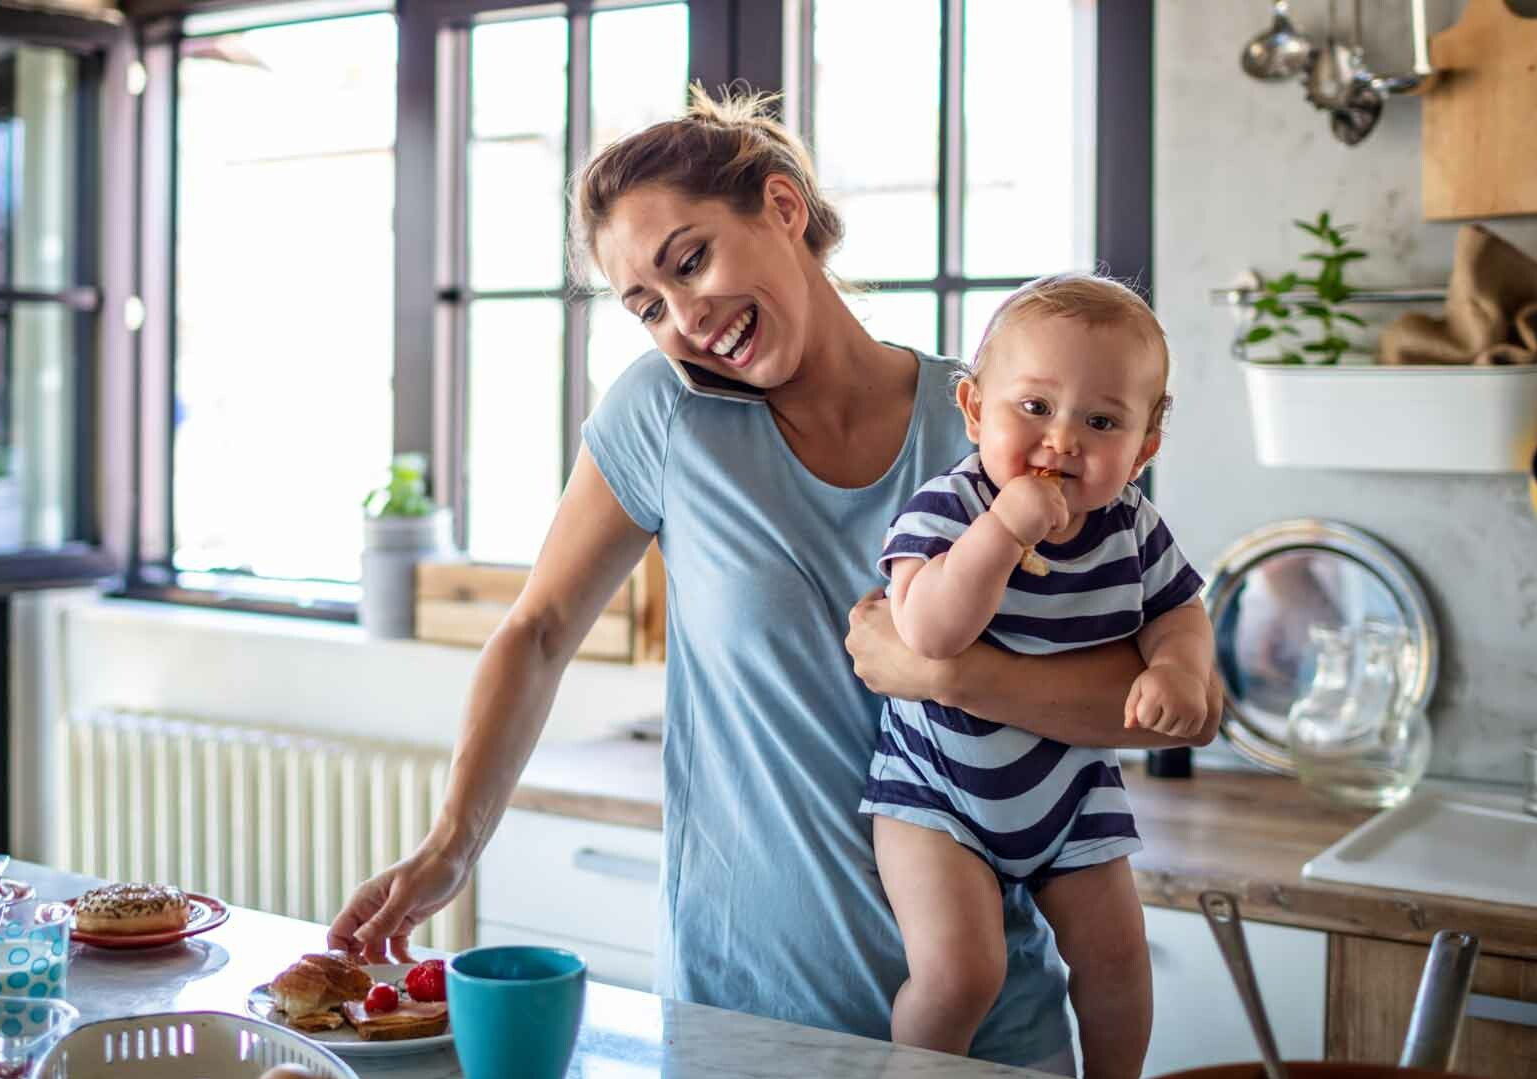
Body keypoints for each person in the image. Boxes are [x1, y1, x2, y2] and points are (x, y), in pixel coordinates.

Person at [327, 87, 1220, 1072]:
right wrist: (453, 841)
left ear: (783, 209)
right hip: (740, 1018)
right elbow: (537, 630)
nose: (685, 318)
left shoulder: (998, 427)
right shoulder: (665, 419)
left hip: (987, 1036)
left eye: (692, 258)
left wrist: (943, 675)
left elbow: (1145, 700)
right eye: (647, 306)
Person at [865, 274, 1214, 1077]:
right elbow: (928, 633)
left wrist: (1178, 668)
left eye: (1101, 421)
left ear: (1143, 449)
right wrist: (1005, 525)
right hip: (935, 791)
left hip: (1072, 790)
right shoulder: (948, 505)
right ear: (974, 408)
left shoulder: (1133, 525)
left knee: (1121, 958)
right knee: (961, 972)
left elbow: (1180, 611)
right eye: (1034, 408)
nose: (1062, 440)